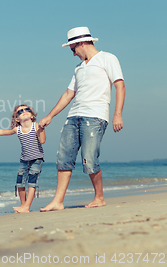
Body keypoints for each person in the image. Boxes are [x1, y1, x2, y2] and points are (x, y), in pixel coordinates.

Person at [40, 27, 125, 211]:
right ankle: (58, 201)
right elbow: (69, 94)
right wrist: (50, 116)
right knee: (63, 158)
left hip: (95, 116)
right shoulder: (79, 68)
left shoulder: (107, 58)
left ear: (81, 43)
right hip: (73, 116)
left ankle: (99, 198)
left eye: (73, 49)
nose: (73, 54)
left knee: (89, 158)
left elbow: (120, 86)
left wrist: (117, 113)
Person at [0, 104, 46, 213]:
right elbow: (2, 132)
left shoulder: (36, 126)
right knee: (20, 183)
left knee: (32, 183)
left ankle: (27, 207)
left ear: (32, 115)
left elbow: (42, 141)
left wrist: (41, 129)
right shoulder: (17, 129)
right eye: (20, 112)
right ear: (17, 119)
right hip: (24, 160)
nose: (24, 111)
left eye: (27, 110)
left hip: (36, 159)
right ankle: (23, 205)